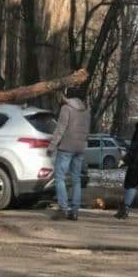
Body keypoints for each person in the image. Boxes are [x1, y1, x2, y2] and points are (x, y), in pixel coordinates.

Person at [48, 85, 89, 221]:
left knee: (60, 178)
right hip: (80, 148)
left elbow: (60, 129)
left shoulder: (66, 108)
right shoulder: (86, 110)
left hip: (66, 147)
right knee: (76, 179)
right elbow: (87, 131)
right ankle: (75, 211)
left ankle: (63, 209)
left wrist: (52, 146)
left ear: (68, 96)